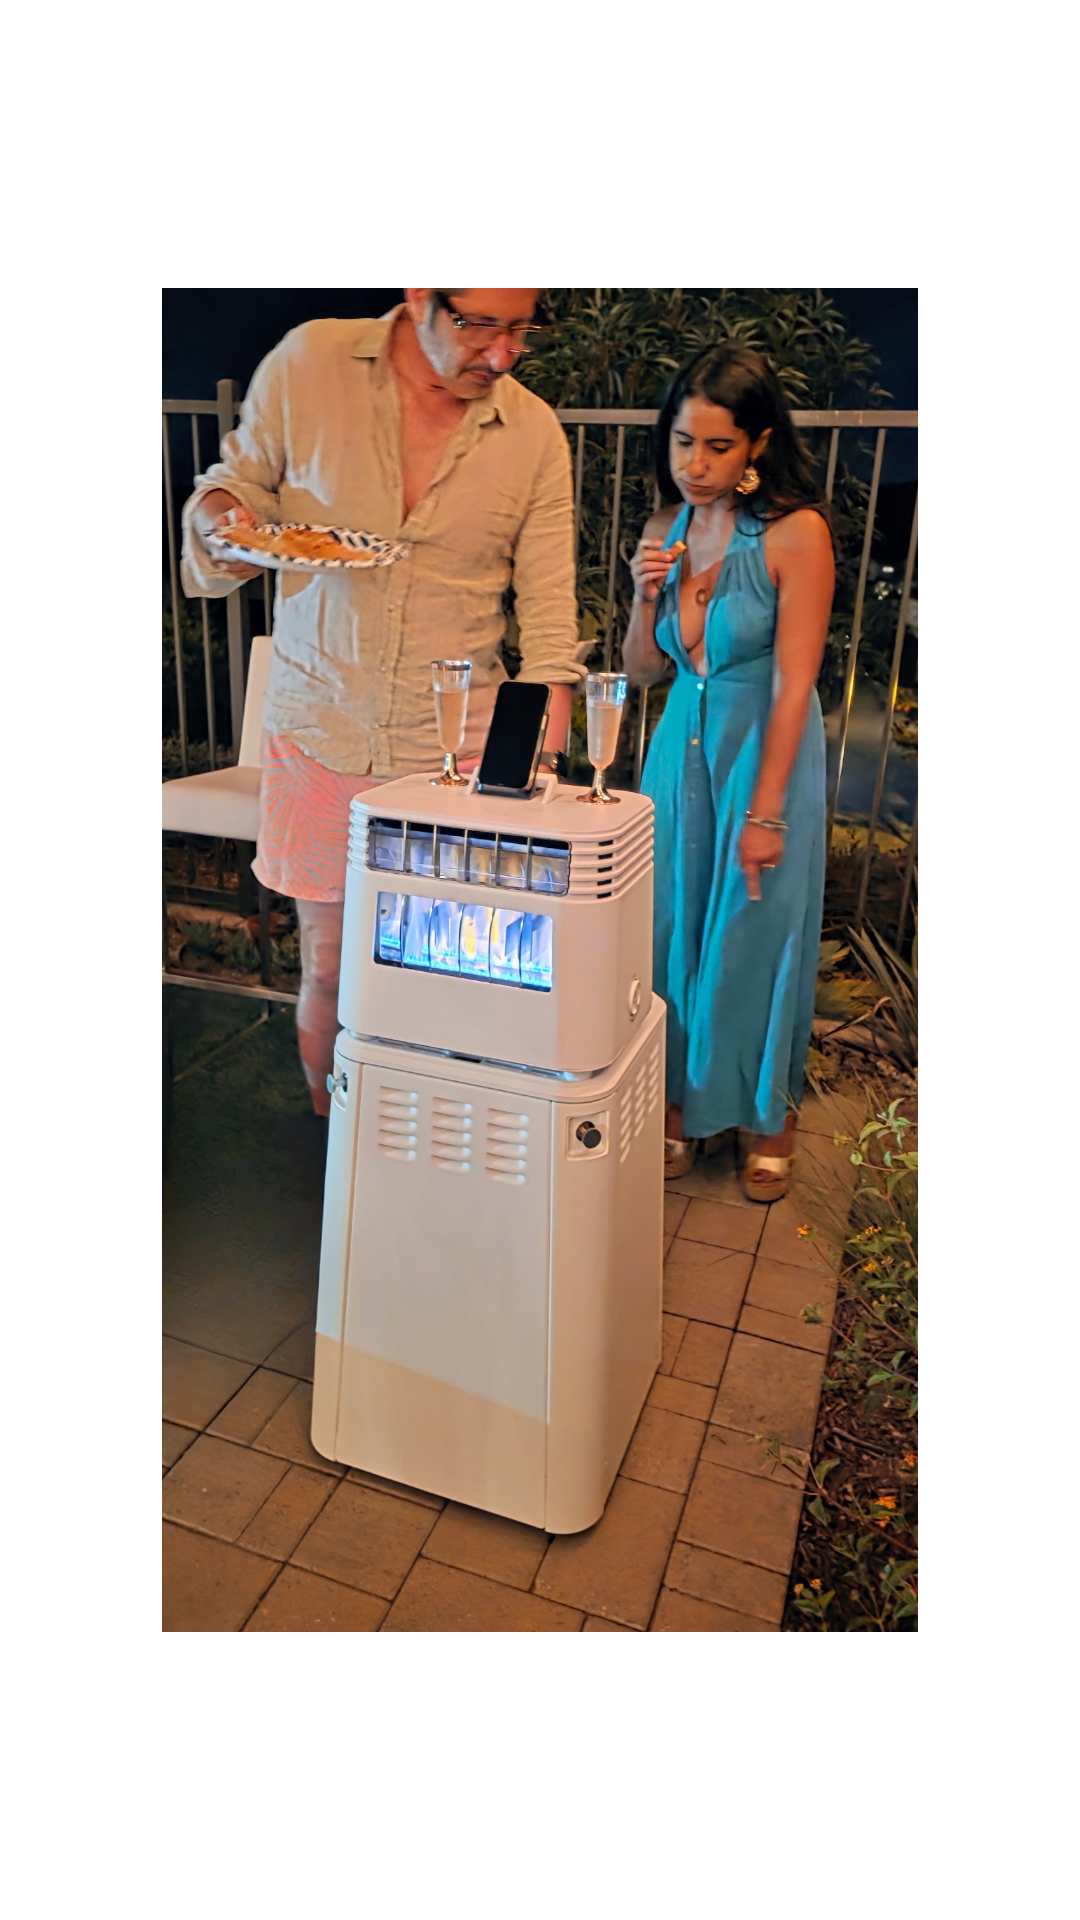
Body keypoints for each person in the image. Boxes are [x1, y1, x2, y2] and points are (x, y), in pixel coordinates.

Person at [182, 289, 583, 1115]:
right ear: (417, 299)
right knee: (328, 963)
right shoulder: (310, 364)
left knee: (458, 976)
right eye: (477, 323)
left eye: (521, 327)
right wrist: (226, 521)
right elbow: (234, 489)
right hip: (319, 723)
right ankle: (340, 1157)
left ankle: (440, 1156)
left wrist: (547, 738)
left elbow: (549, 620)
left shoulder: (534, 431)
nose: (502, 354)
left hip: (454, 750)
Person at [623, 344, 834, 1200]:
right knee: (669, 926)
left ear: (756, 445)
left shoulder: (796, 533)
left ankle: (767, 1117)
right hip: (680, 749)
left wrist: (769, 809)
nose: (695, 465)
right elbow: (643, 673)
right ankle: (681, 1106)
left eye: (716, 446)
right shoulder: (661, 533)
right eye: (682, 443)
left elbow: (795, 682)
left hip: (765, 751)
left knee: (756, 932)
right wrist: (644, 598)